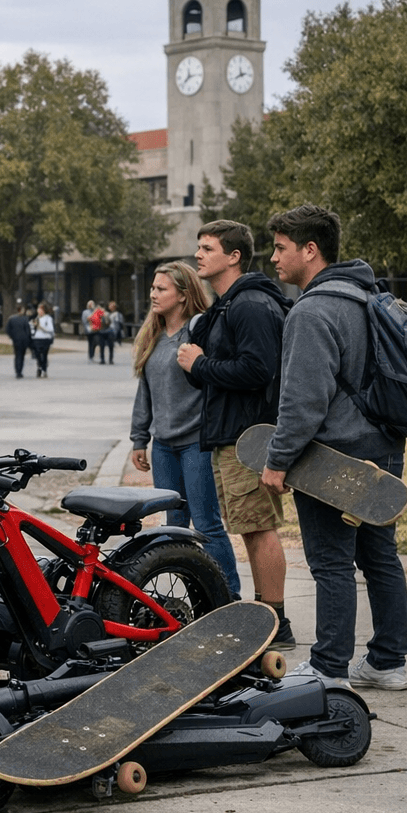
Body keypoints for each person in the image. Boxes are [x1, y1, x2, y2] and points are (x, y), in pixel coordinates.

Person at [261, 204, 407, 691]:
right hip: (383, 446)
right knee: (379, 555)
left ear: (311, 249)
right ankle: (388, 662)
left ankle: (329, 669)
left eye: (281, 247)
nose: (274, 257)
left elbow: (302, 401)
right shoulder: (371, 296)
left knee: (331, 562)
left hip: (332, 458)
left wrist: (278, 461)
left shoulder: (311, 310)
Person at [177, 219, 296, 649]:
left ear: (234, 256)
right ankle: (267, 617)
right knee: (247, 528)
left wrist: (201, 365)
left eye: (208, 248)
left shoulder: (250, 306)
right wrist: (197, 363)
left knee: (259, 528)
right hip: (228, 435)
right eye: (199, 247)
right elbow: (206, 377)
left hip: (249, 438)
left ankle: (276, 623)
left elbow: (258, 369)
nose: (199, 255)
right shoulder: (224, 308)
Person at [128, 262, 240, 596]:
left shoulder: (198, 332)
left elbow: (215, 379)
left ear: (183, 294)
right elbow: (144, 392)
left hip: (197, 444)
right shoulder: (152, 336)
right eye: (152, 287)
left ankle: (227, 596)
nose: (153, 294)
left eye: (161, 289)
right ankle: (196, 597)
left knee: (206, 525)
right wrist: (139, 438)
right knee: (173, 529)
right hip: (163, 447)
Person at [5, 304, 31, 378]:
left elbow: (8, 330)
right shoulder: (25, 319)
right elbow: (28, 330)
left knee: (17, 355)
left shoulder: (11, 319)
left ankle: (17, 370)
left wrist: (12, 336)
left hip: (16, 339)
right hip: (24, 339)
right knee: (22, 356)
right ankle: (20, 371)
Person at [30, 301, 55, 377]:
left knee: (44, 355)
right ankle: (39, 367)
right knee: (37, 355)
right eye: (38, 309)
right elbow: (32, 330)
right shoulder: (35, 318)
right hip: (37, 338)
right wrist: (32, 327)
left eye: (41, 310)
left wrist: (42, 328)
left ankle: (44, 369)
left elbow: (50, 329)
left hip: (45, 339)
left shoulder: (48, 318)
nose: (39, 311)